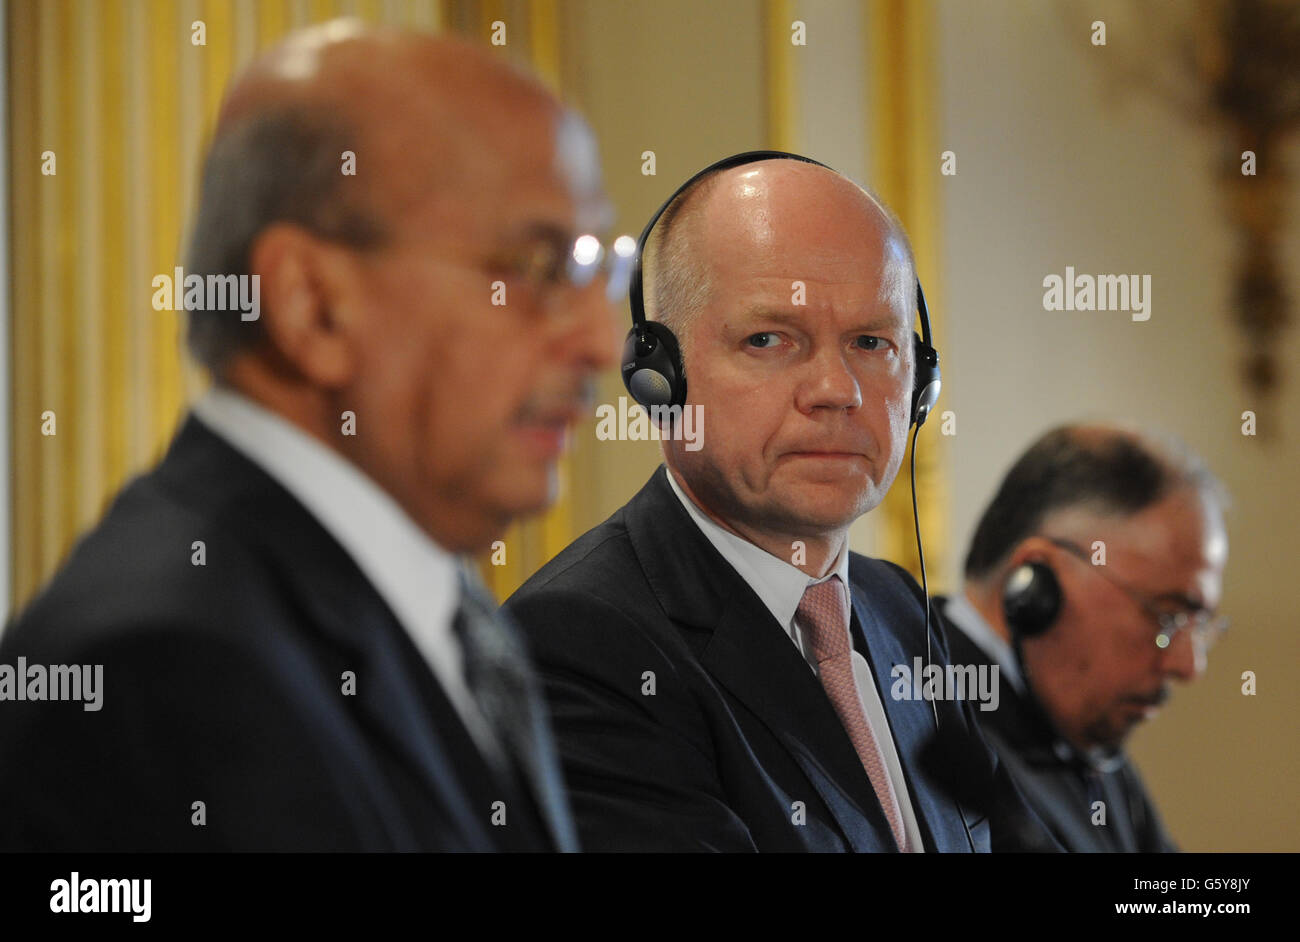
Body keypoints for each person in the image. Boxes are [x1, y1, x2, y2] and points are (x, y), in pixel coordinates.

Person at [0, 21, 626, 851]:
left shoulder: (437, 598)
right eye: (542, 268)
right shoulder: (163, 672)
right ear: (311, 305)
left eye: (598, 269)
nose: (603, 344)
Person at [504, 154, 1055, 852]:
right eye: (769, 339)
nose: (836, 388)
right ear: (659, 378)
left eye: (871, 342)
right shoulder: (576, 644)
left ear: (921, 383)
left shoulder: (898, 610)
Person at [940, 424, 1229, 852]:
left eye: (1198, 624)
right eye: (1167, 615)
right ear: (1034, 585)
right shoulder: (928, 730)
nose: (1188, 666)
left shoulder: (1086, 738)